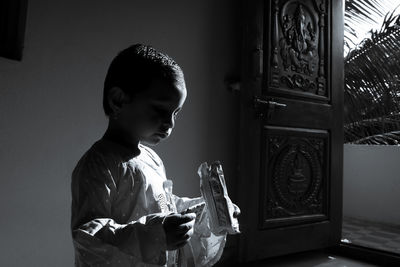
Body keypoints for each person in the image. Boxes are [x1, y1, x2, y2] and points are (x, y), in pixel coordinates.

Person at [71, 44, 240, 266]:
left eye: (175, 113)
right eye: (160, 110)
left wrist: (205, 209)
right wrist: (155, 235)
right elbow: (88, 238)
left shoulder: (152, 159)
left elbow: (163, 204)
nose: (169, 124)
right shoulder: (98, 164)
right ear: (118, 100)